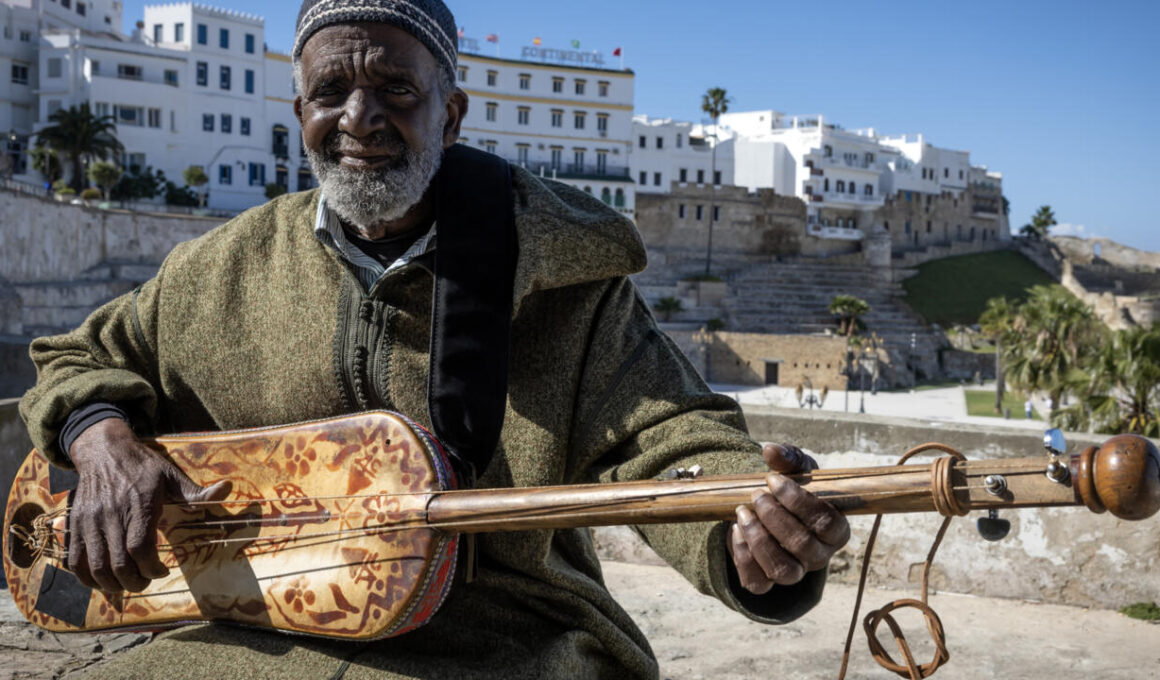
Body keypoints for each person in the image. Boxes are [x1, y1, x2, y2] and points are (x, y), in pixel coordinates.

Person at [18, 1, 849, 677]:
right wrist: (101, 440)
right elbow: (75, 357)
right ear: (298, 110)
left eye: (395, 90)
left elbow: (671, 440)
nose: (359, 118)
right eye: (331, 90)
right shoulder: (216, 269)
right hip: (249, 628)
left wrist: (747, 530)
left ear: (450, 113)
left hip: (502, 637)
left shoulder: (559, 275)